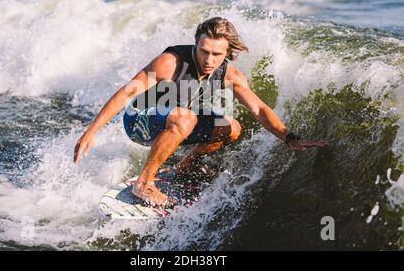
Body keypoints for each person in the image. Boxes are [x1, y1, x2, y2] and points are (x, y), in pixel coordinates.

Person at [73, 17, 329, 207]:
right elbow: (127, 93)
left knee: (232, 128)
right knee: (186, 116)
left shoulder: (231, 74)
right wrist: (91, 132)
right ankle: (144, 184)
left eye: (216, 54)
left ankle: (186, 166)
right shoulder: (170, 63)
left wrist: (288, 137)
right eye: (203, 51)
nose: (208, 60)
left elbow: (259, 108)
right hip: (139, 120)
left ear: (228, 53)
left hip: (177, 120)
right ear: (196, 44)